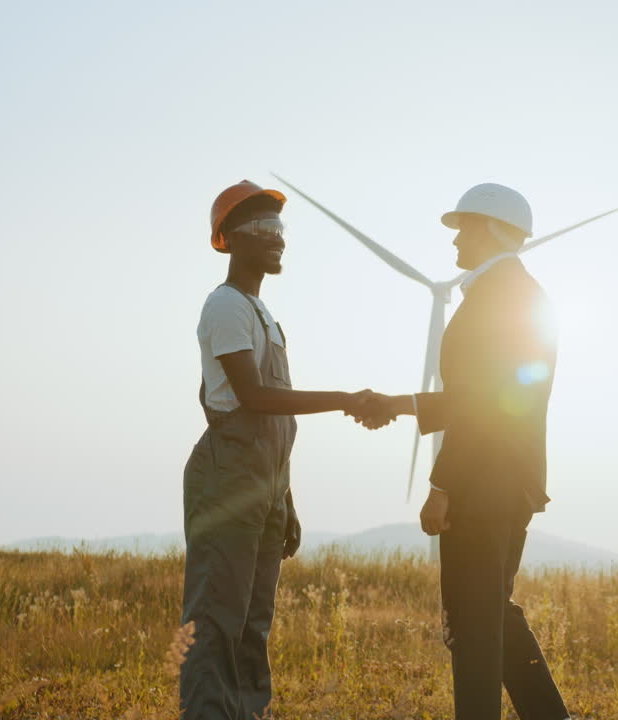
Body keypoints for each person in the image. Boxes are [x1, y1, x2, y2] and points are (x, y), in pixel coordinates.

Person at [361, 183, 570, 720]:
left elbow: (480, 403)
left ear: (497, 230)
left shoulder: (497, 297)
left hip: (485, 480)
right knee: (492, 612)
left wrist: (441, 483)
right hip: (511, 479)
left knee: (472, 624)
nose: (455, 238)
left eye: (466, 226)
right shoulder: (519, 292)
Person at [181, 179, 378, 720]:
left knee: (252, 622)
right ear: (231, 240)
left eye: (280, 228)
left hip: (264, 481)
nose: (278, 238)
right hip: (228, 478)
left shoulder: (264, 315)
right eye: (263, 230)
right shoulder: (224, 306)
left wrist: (284, 497)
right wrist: (344, 398)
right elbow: (256, 397)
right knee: (217, 619)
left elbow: (275, 421)